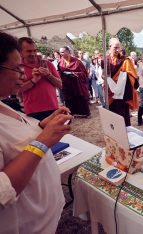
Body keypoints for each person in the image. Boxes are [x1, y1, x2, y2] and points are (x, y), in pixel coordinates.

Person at [0, 32, 72, 233]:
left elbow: (16, 134)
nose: (22, 74)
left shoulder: (3, 104)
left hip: (43, 219)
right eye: (16, 68)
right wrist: (43, 140)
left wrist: (41, 127)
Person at [18, 37, 62, 121]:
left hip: (52, 107)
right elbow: (17, 90)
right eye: (29, 51)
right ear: (20, 52)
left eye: (34, 50)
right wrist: (33, 80)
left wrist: (48, 75)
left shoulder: (47, 63)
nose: (33, 54)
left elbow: (60, 84)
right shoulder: (18, 67)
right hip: (32, 111)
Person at [106, 38, 138, 126]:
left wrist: (122, 80)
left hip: (122, 94)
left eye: (118, 48)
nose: (117, 50)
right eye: (115, 48)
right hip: (110, 93)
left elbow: (133, 76)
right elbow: (104, 75)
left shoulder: (125, 60)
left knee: (123, 115)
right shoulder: (106, 60)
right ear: (110, 47)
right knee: (113, 116)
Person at [58, 46, 90, 117]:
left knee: (80, 98)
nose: (61, 54)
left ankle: (83, 113)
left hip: (77, 85)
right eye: (60, 52)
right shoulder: (60, 62)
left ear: (68, 52)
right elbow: (59, 73)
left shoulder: (77, 62)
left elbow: (84, 74)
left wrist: (75, 74)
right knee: (69, 100)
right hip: (67, 85)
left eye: (63, 52)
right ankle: (71, 113)